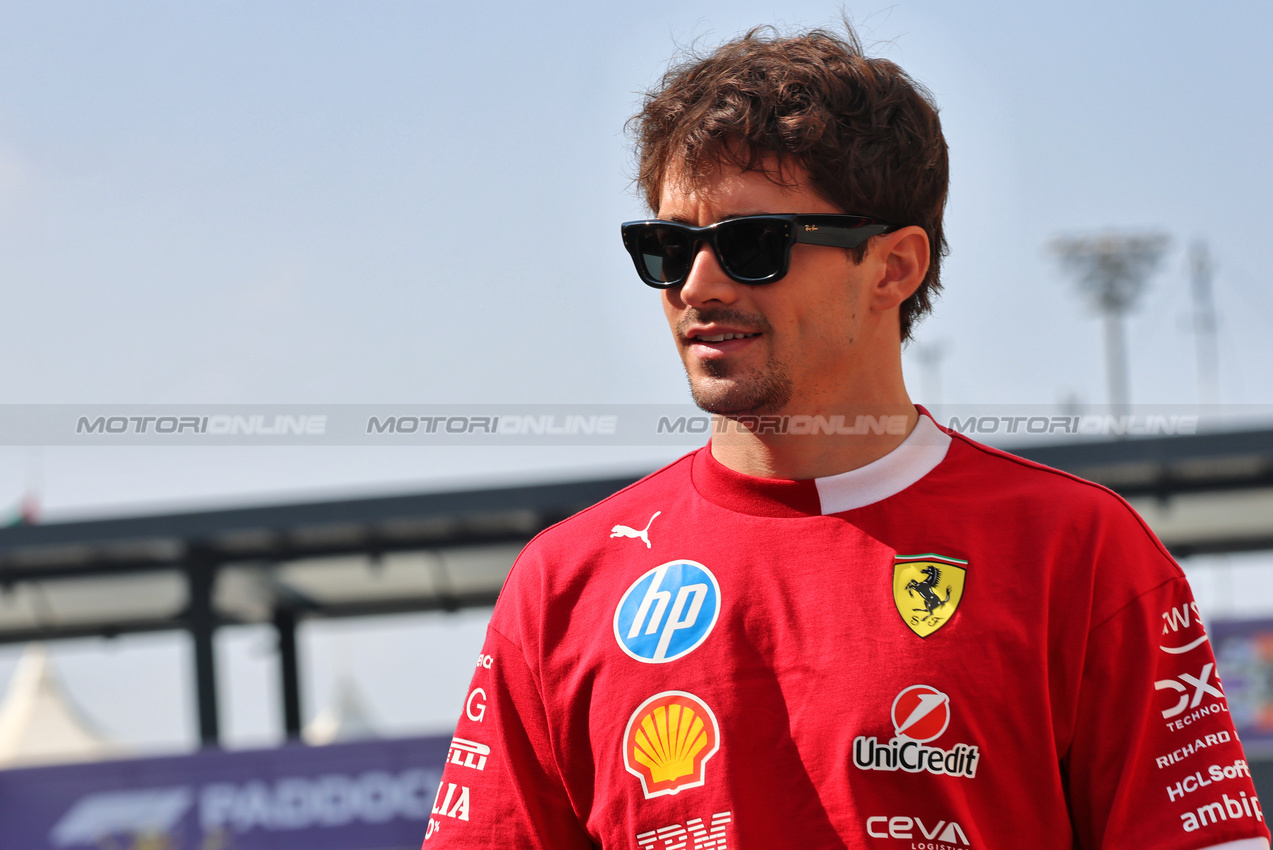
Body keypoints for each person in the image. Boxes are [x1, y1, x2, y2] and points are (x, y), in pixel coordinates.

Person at [422, 25, 1269, 850]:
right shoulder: (562, 586)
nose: (697, 285)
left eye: (752, 245)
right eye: (667, 247)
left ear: (894, 266)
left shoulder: (1077, 552)